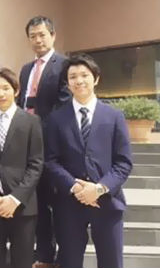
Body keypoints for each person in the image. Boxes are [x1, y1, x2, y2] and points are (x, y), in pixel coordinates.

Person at [45, 54, 132, 268]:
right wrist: (76, 188)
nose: (79, 80)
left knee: (111, 262)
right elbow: (51, 161)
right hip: (69, 205)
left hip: (107, 202)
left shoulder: (114, 116)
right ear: (67, 83)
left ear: (96, 79)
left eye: (84, 75)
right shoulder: (56, 118)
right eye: (73, 76)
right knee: (69, 262)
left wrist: (99, 188)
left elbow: (123, 162)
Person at [0, 68, 44, 268]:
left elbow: (36, 164)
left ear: (16, 90)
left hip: (22, 205)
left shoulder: (32, 122)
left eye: (5, 88)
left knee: (22, 261)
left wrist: (15, 198)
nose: (1, 93)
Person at [17, 15, 70, 268]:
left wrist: (38, 130)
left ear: (53, 35)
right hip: (28, 147)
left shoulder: (64, 65)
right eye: (33, 36)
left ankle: (64, 256)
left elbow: (63, 105)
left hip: (52, 146)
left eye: (42, 35)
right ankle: (45, 255)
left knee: (57, 204)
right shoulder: (26, 69)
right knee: (36, 201)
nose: (38, 40)